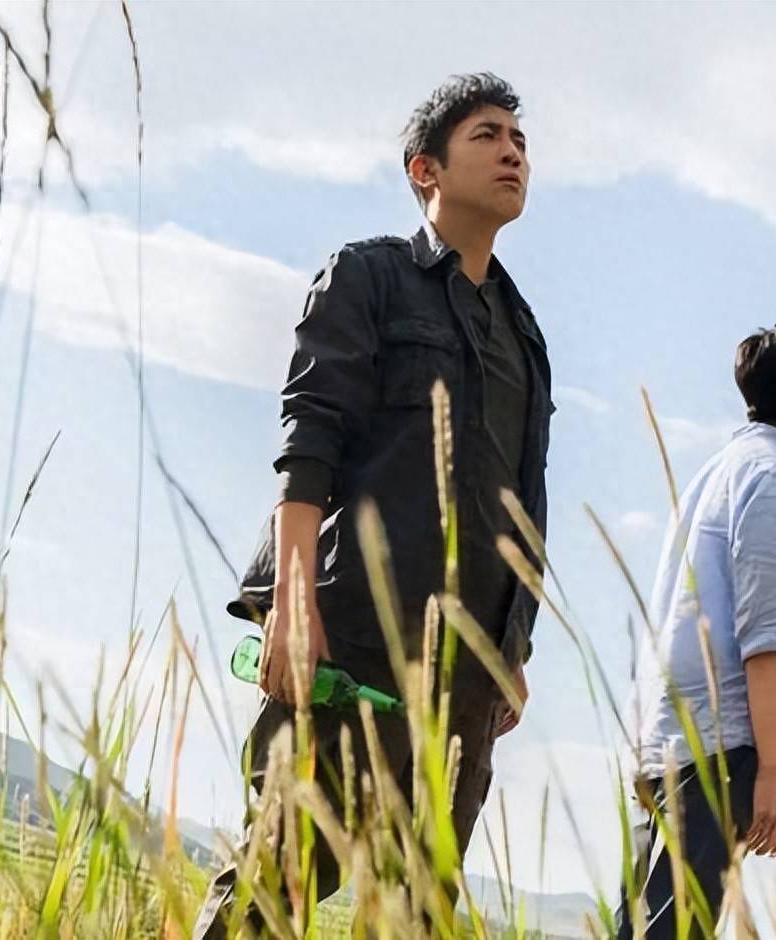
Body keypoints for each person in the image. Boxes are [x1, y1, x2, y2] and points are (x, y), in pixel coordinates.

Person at [193, 73, 555, 937]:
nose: (512, 152)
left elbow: (523, 497)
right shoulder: (370, 276)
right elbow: (308, 444)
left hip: (466, 676)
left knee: (417, 913)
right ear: (425, 169)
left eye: (519, 139)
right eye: (487, 136)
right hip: (352, 638)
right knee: (271, 887)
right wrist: (291, 604)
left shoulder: (524, 332)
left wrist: (512, 645)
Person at [617, 320, 776, 938]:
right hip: (715, 744)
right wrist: (771, 771)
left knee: (646, 924)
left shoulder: (719, 470)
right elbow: (768, 635)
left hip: (667, 733)